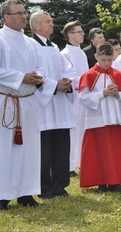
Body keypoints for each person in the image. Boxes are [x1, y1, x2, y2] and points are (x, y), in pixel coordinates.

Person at [0, 0, 44, 210]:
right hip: (5, 101)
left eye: (24, 12)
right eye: (18, 13)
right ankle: (2, 196)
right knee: (3, 149)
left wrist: (39, 78)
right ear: (6, 17)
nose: (24, 16)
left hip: (28, 102)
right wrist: (22, 77)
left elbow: (40, 68)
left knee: (29, 149)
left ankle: (26, 193)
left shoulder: (32, 43)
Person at [30, 11, 75, 199]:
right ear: (36, 26)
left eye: (51, 21)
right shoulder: (30, 46)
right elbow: (33, 72)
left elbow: (68, 69)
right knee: (44, 149)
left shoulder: (55, 46)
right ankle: (44, 188)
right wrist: (54, 85)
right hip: (42, 104)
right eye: (47, 21)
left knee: (61, 146)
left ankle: (60, 186)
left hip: (60, 103)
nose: (52, 24)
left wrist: (67, 82)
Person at [79, 42, 121, 193]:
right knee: (99, 151)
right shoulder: (89, 75)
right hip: (98, 119)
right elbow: (83, 97)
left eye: (109, 60)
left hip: (115, 119)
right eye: (103, 60)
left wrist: (117, 94)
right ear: (96, 56)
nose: (106, 63)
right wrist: (102, 93)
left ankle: (115, 182)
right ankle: (101, 182)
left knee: (114, 151)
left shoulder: (117, 75)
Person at [61, 20, 89, 177]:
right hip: (72, 96)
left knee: (82, 129)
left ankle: (80, 161)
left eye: (82, 31)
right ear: (70, 35)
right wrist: (87, 80)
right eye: (79, 32)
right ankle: (69, 164)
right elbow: (68, 76)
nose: (82, 34)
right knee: (72, 129)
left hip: (83, 94)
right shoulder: (64, 54)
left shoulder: (82, 52)